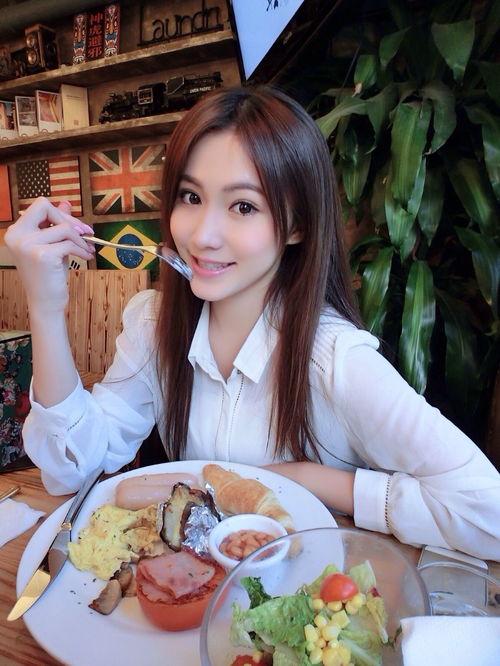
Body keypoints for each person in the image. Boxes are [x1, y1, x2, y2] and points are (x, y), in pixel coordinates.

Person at [6, 86, 500, 560]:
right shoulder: (155, 324)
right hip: (197, 593)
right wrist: (45, 309)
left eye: (243, 206)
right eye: (190, 197)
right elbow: (73, 471)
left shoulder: (335, 360)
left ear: (297, 224)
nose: (203, 235)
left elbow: (487, 512)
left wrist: (305, 478)